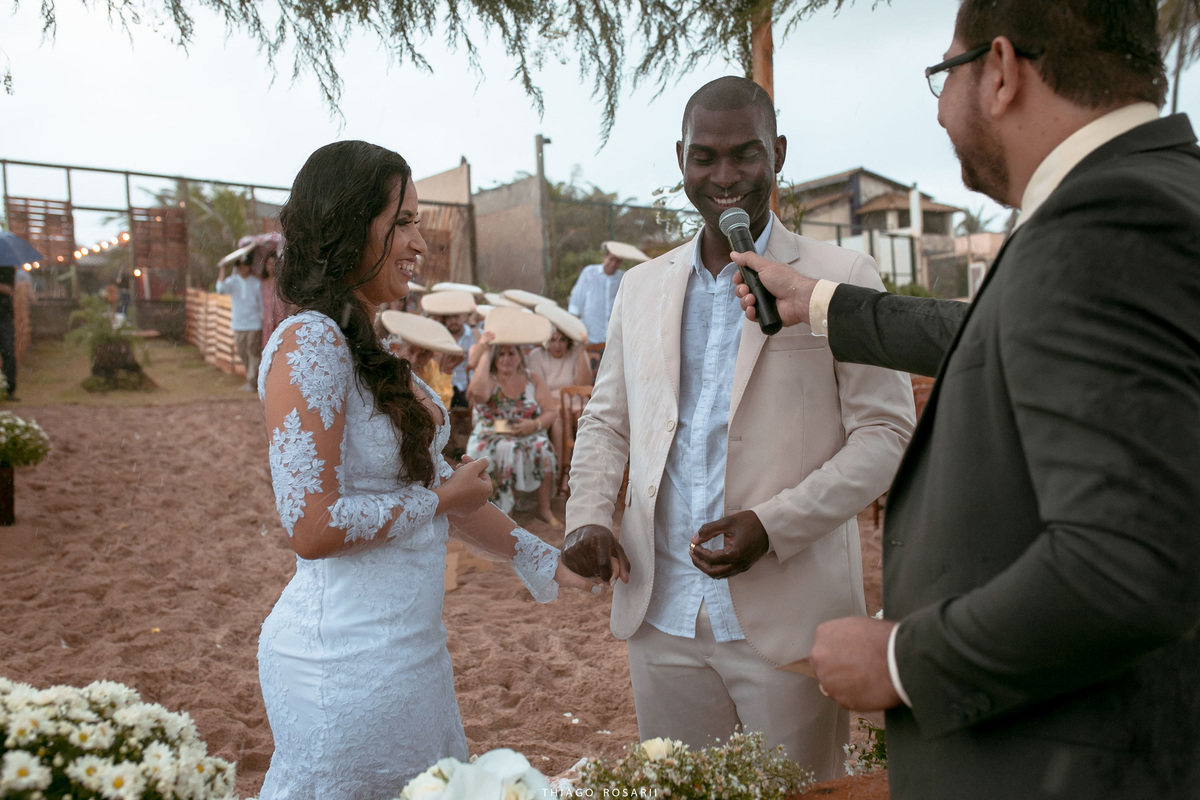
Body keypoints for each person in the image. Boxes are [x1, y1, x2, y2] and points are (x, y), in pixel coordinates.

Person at [730, 2, 1200, 797]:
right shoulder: (1147, 192)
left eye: (943, 77)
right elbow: (1005, 334)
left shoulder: (1109, 219)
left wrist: (903, 659)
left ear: (1003, 71)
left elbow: (1132, 560)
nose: (942, 111)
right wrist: (819, 303)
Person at [560, 76, 915, 781]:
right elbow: (607, 419)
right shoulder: (643, 286)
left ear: (777, 153)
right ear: (681, 159)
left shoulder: (842, 275)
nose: (724, 177)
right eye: (704, 157)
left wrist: (774, 525)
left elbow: (886, 434)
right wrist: (590, 515)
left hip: (788, 619)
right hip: (661, 615)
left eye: (745, 154)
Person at [256, 140, 587, 798]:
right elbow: (312, 527)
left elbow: (454, 499)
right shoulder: (311, 342)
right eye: (402, 221)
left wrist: (550, 560)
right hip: (344, 662)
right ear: (348, 225)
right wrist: (439, 501)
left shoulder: (365, 343)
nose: (419, 243)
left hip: (410, 652)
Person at [465, 329, 559, 524]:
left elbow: (550, 411)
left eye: (511, 353)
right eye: (501, 354)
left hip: (526, 431)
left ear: (520, 356)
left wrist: (535, 424)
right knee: (507, 449)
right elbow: (478, 395)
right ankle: (505, 513)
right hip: (490, 434)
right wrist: (485, 352)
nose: (506, 359)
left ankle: (545, 509)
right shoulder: (489, 378)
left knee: (545, 448)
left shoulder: (532, 378)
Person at [527, 303, 593, 491]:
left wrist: (581, 353)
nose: (557, 345)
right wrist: (557, 405)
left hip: (575, 401)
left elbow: (583, 385)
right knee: (558, 419)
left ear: (569, 341)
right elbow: (538, 389)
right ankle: (563, 472)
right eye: (553, 340)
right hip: (549, 402)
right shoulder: (536, 355)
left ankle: (579, 473)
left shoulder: (575, 354)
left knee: (582, 417)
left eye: (562, 340)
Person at [567, 240, 649, 345]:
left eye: (618, 261)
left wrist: (648, 263)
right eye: (611, 259)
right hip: (590, 338)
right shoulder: (589, 273)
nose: (613, 264)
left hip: (613, 341)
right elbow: (575, 304)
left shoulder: (623, 277)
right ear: (604, 258)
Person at [215, 251, 264, 392]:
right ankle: (253, 378)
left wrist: (261, 320)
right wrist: (222, 269)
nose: (242, 268)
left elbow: (261, 304)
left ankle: (251, 382)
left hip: (254, 324)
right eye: (240, 266)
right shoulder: (233, 281)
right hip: (238, 324)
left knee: (253, 353)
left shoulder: (256, 283)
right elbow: (220, 289)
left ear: (249, 266)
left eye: (244, 265)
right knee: (243, 353)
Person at [422, 291, 476, 407]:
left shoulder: (474, 334)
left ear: (463, 316)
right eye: (448, 318)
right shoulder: (439, 338)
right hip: (442, 386)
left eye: (456, 316)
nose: (452, 321)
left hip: (465, 386)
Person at [260, 252, 293, 349]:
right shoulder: (262, 284)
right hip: (267, 322)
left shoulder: (281, 283)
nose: (271, 267)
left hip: (281, 319)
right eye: (269, 264)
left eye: (274, 264)